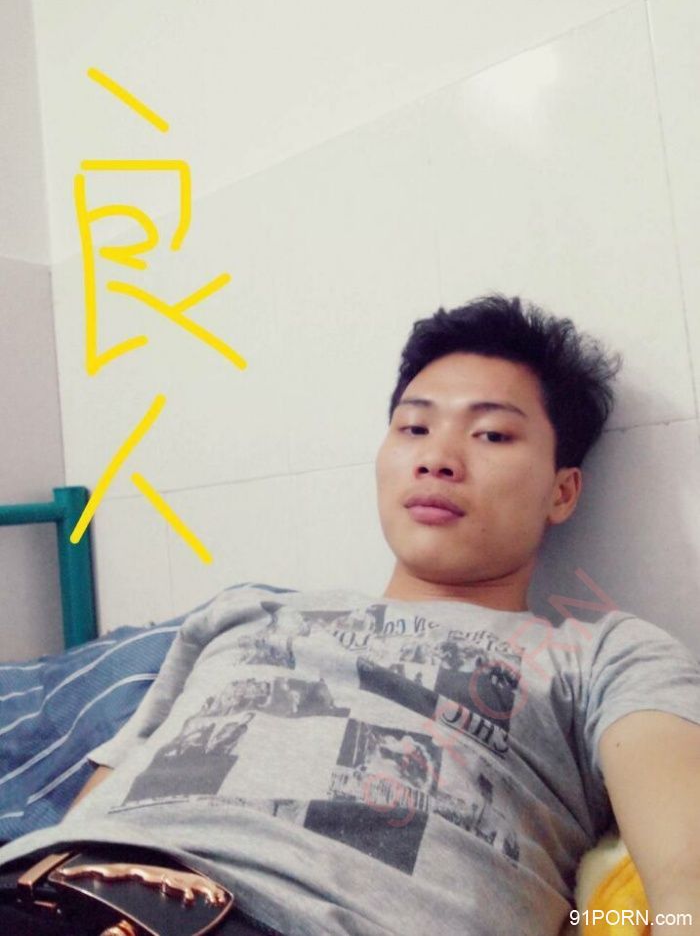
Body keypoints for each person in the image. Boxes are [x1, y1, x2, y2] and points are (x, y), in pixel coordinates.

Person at [1, 293, 700, 936]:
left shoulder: (604, 657)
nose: (437, 458)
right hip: (45, 895)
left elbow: (683, 877)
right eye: (414, 427)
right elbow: (89, 808)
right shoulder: (244, 615)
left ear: (562, 491)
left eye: (492, 435)